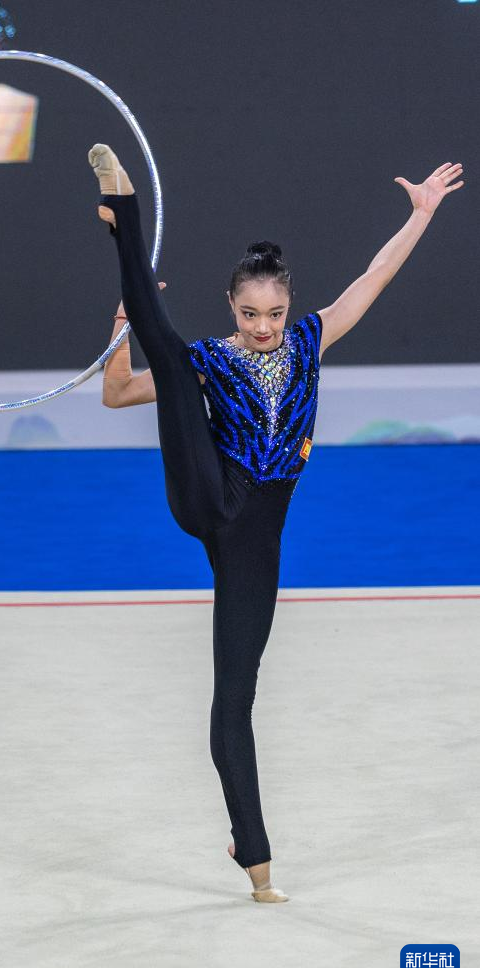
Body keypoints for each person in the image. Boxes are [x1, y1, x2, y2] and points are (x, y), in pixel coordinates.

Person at [88, 144, 464, 902]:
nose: (262, 327)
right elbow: (117, 393)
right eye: (249, 314)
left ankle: (254, 858)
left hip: (254, 541)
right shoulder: (211, 357)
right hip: (206, 493)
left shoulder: (310, 342)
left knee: (234, 698)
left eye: (273, 314)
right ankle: (122, 211)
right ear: (231, 307)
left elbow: (373, 277)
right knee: (173, 359)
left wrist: (420, 215)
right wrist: (124, 328)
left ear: (289, 309)